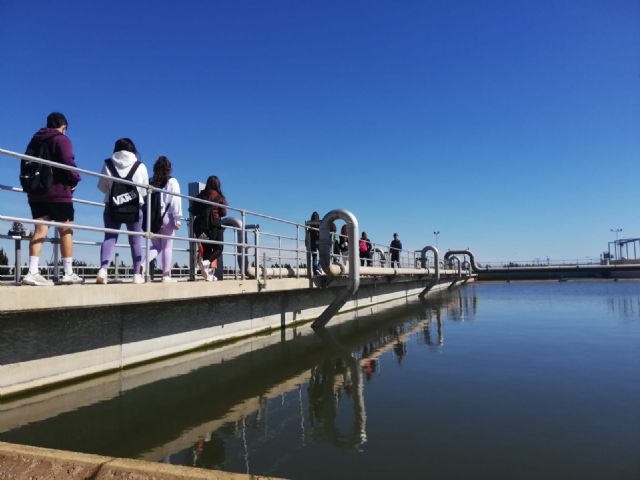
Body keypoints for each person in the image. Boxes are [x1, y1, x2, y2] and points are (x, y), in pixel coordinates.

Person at [22, 112, 83, 286]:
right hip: (58, 192)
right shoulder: (62, 139)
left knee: (40, 230)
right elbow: (67, 163)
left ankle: (32, 271)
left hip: (36, 192)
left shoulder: (35, 140)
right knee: (66, 230)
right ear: (64, 127)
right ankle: (68, 272)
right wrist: (76, 179)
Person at [96, 138, 149, 284]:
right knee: (135, 240)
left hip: (111, 206)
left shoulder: (108, 163)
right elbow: (144, 190)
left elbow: (101, 187)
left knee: (110, 238)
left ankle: (103, 270)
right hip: (134, 207)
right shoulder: (140, 166)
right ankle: (137, 274)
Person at [144, 156, 182, 282]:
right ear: (169, 169)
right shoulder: (172, 182)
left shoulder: (151, 182)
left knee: (156, 246)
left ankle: (143, 264)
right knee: (167, 247)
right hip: (167, 217)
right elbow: (175, 200)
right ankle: (166, 275)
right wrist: (177, 219)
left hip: (153, 218)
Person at [192, 176, 227, 281]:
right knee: (219, 248)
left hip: (201, 228)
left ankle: (207, 275)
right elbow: (223, 212)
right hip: (214, 226)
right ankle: (206, 263)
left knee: (207, 250)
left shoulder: (201, 195)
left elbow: (193, 210)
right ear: (217, 185)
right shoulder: (219, 197)